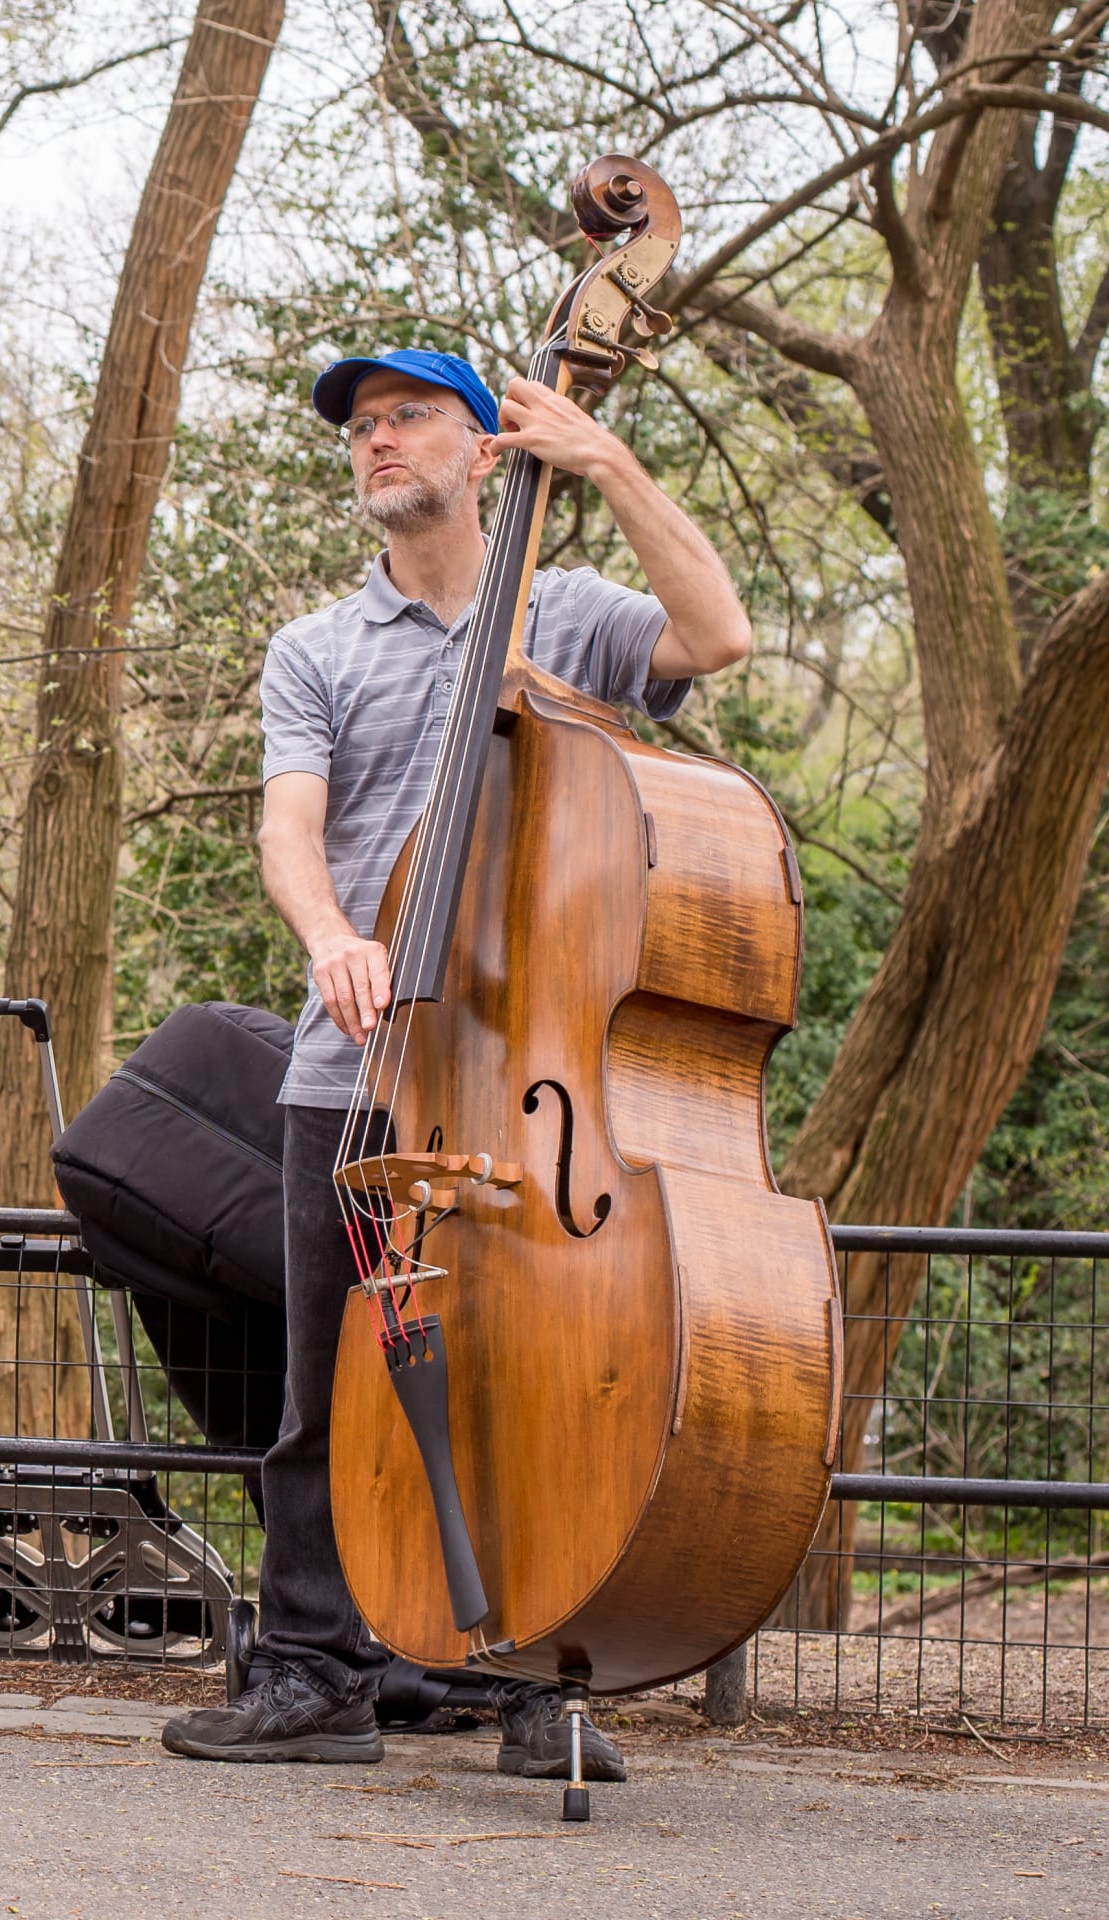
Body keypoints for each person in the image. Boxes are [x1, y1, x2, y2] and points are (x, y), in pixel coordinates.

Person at [156, 348, 753, 1777]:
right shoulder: (318, 648)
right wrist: (330, 935)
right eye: (362, 427)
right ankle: (314, 1674)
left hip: (538, 1074)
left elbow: (719, 635)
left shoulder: (568, 612)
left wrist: (606, 460)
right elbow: (291, 827)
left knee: (541, 1377)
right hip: (356, 1069)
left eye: (407, 415)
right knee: (330, 1387)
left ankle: (542, 1677)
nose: (377, 440)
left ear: (489, 450)